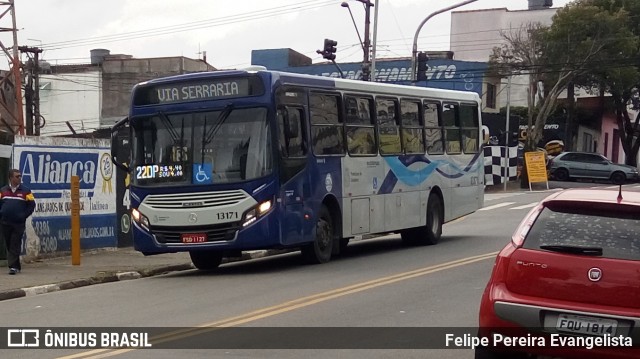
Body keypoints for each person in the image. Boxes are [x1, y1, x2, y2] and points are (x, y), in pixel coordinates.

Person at [0, 169, 35, 275]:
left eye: (20, 176)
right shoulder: (3, 191)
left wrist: (23, 216)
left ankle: (13, 267)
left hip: (18, 223)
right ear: (11, 178)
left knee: (15, 243)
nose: (19, 178)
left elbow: (32, 205)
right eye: (17, 176)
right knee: (9, 243)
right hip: (5, 222)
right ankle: (17, 265)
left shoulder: (26, 191)